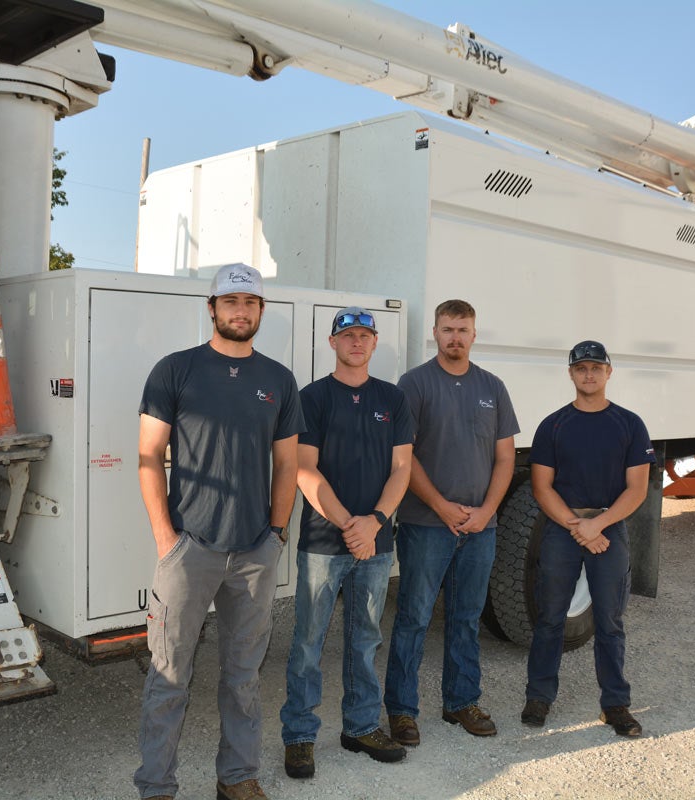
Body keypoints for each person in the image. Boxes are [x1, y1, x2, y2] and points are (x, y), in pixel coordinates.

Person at [134, 263, 305, 800]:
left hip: (254, 550)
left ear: (260, 312)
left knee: (244, 676)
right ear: (211, 308)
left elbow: (287, 466)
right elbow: (147, 456)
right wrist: (167, 538)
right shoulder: (176, 370)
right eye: (231, 302)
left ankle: (237, 777)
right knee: (168, 676)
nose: (241, 311)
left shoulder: (278, 380)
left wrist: (276, 534)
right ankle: (156, 785)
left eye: (250, 303)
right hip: (190, 548)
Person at [280, 307, 415, 779]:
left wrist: (374, 522)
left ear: (375, 343)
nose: (356, 342)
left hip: (375, 542)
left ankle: (359, 727)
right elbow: (304, 469)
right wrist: (350, 526)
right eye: (347, 335)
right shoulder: (312, 398)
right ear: (332, 343)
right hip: (324, 542)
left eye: (364, 335)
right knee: (307, 645)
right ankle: (299, 736)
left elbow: (403, 469)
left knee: (364, 640)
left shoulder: (393, 400)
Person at [384, 299, 519, 746]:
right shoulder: (415, 384)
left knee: (465, 617)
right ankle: (402, 711)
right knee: (415, 617)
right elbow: (405, 457)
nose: (455, 338)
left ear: (474, 335)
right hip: (427, 524)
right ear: (435, 335)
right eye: (447, 330)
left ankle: (462, 701)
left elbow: (505, 458)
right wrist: (441, 505)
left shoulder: (492, 387)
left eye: (462, 330)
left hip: (481, 527)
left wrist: (487, 511)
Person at [521, 340, 655, 738]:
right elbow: (541, 486)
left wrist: (599, 524)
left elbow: (637, 489)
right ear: (571, 374)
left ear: (609, 372)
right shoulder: (553, 425)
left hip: (609, 528)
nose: (589, 374)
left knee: (610, 622)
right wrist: (577, 526)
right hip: (564, 530)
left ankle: (615, 704)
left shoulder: (629, 424)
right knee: (549, 619)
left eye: (596, 367)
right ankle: (538, 697)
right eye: (582, 368)